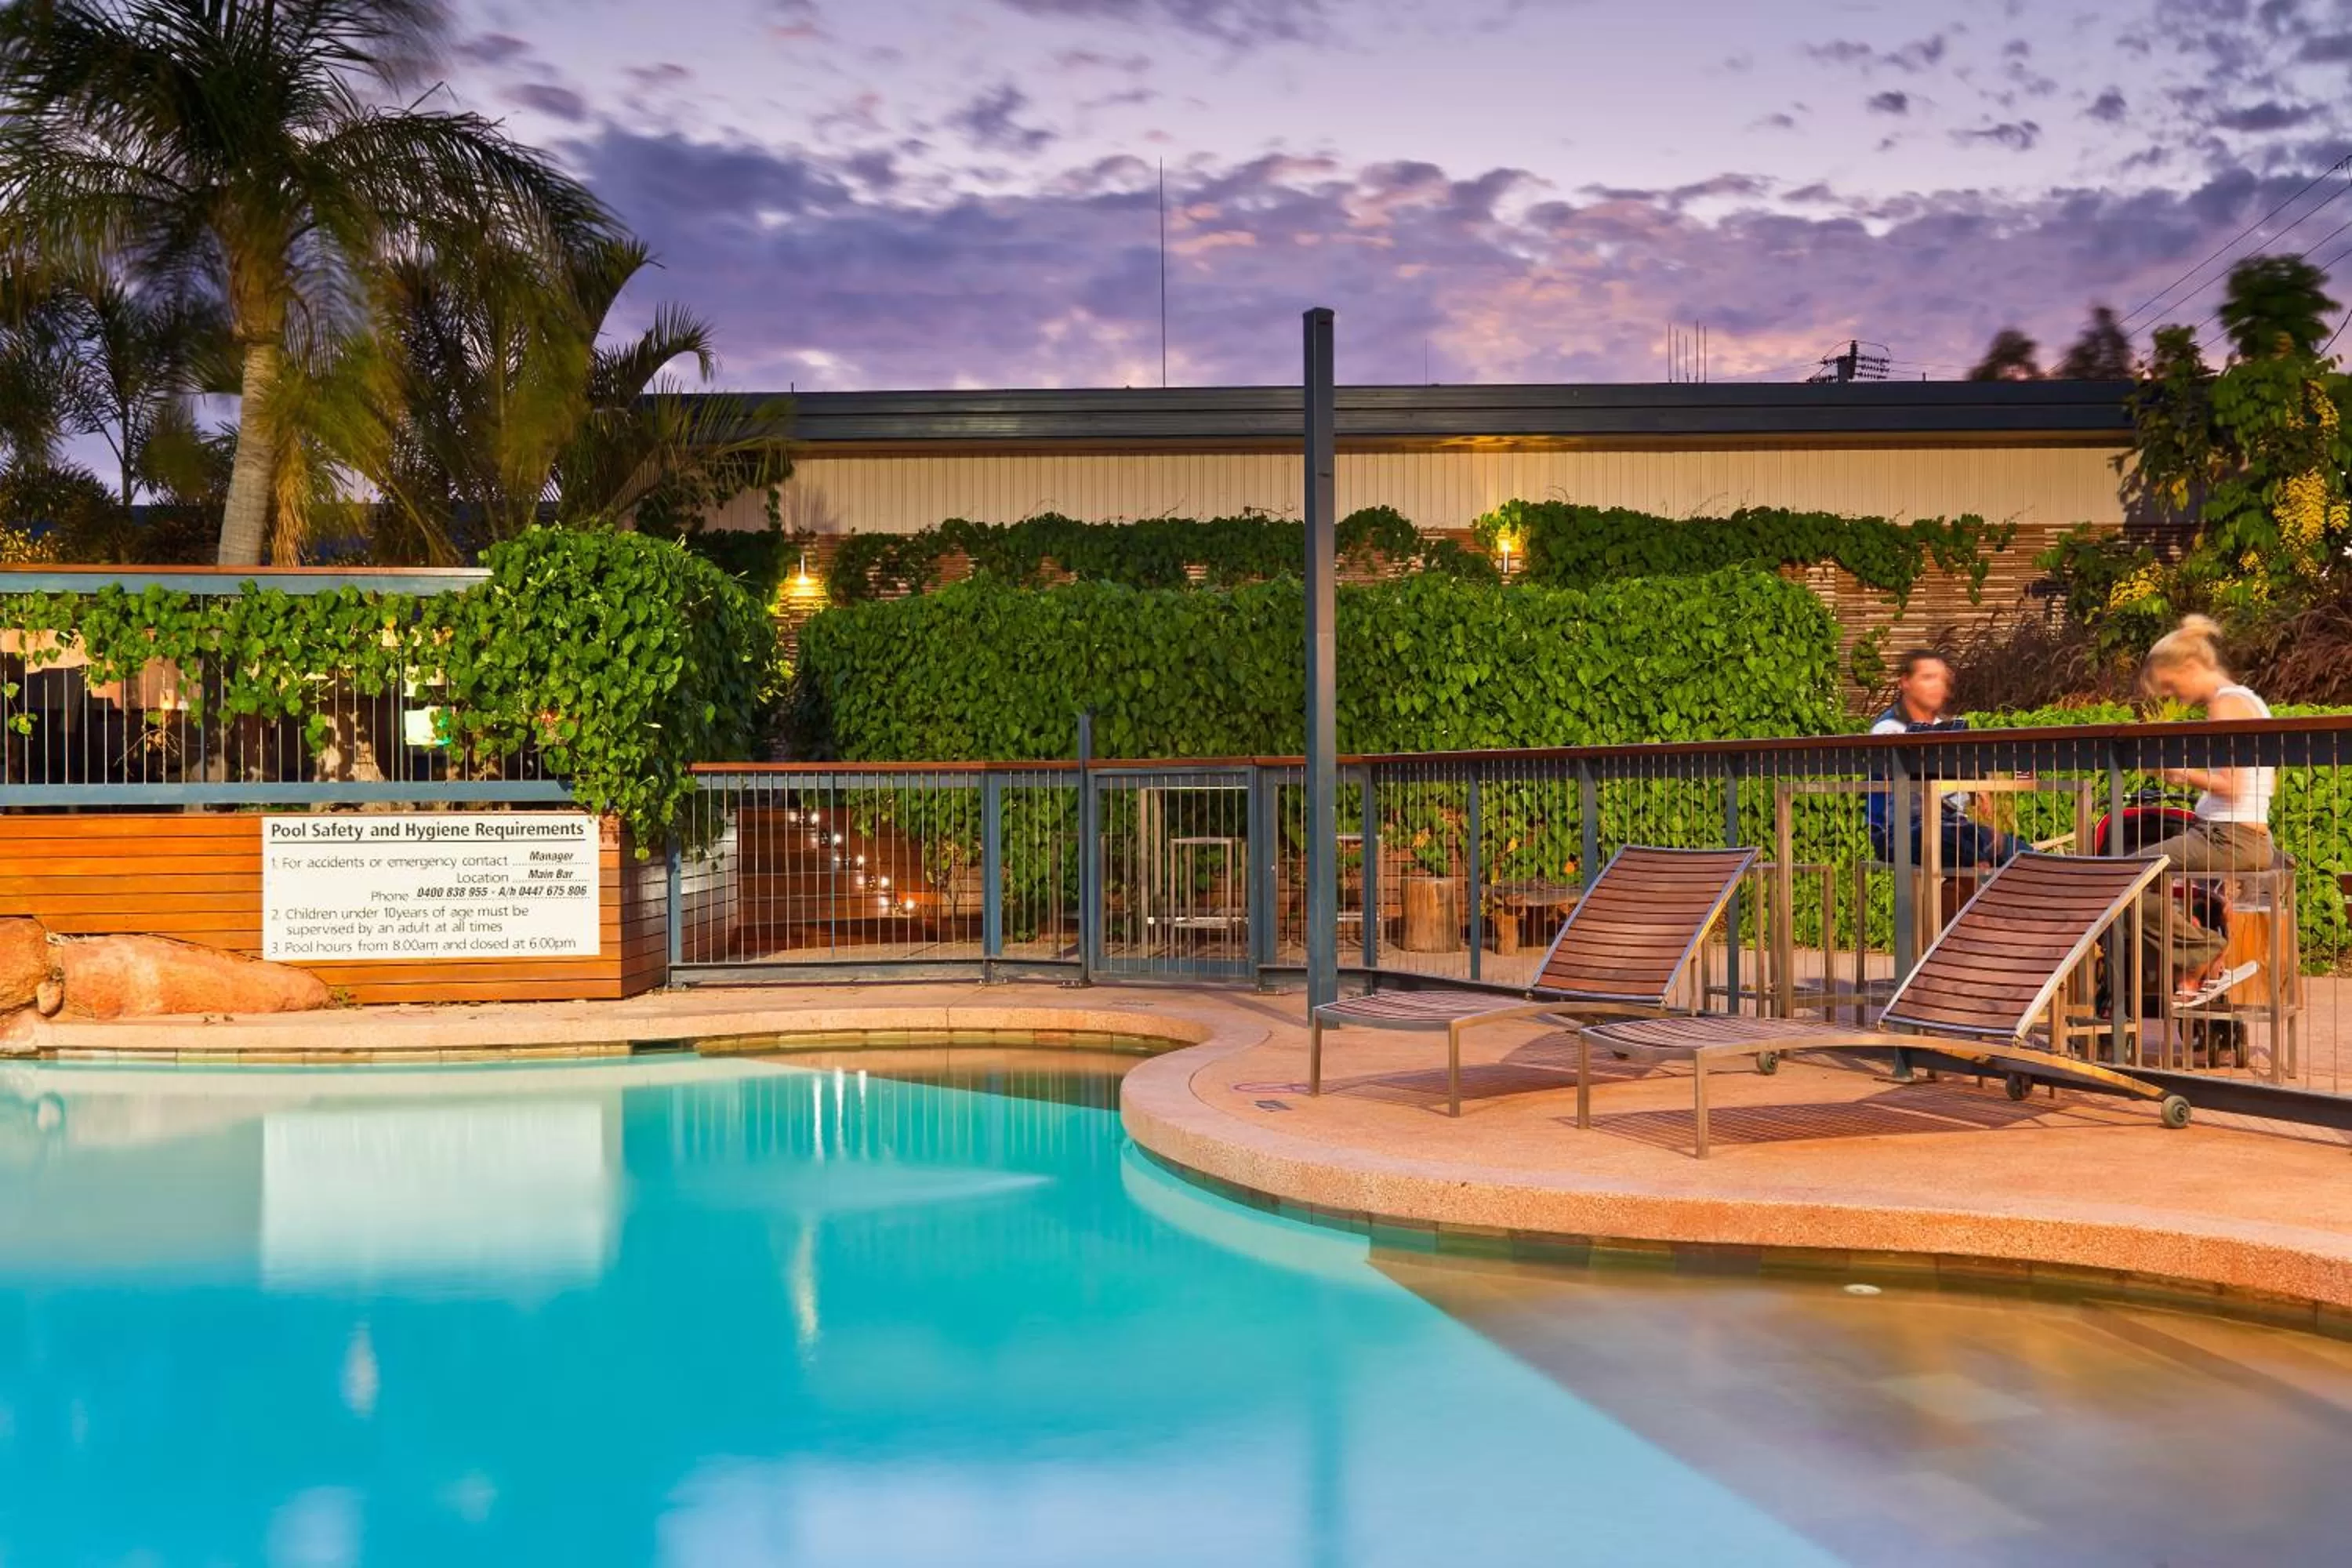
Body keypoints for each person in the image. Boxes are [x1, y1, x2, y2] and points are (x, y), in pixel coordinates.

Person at [2135, 615, 2271, 1006]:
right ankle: (2192, 958)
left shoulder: (2225, 705)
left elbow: (2234, 786)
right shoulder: (2248, 700)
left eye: (2172, 686)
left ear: (2191, 667)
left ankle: (2200, 952)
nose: (2174, 698)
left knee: (2123, 879)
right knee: (2142, 881)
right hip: (2237, 834)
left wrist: (2181, 774)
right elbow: (2264, 785)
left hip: (2229, 837)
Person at [1866, 650, 2026, 870]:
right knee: (1973, 855)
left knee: (2012, 848)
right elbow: (1916, 783)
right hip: (1899, 831)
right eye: (1928, 677)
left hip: (1949, 827)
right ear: (1905, 683)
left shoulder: (1945, 727)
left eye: (1941, 679)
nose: (1937, 685)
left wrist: (1975, 782)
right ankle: (1973, 898)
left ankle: (2057, 883)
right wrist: (1965, 778)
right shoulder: (1889, 729)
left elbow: (1954, 774)